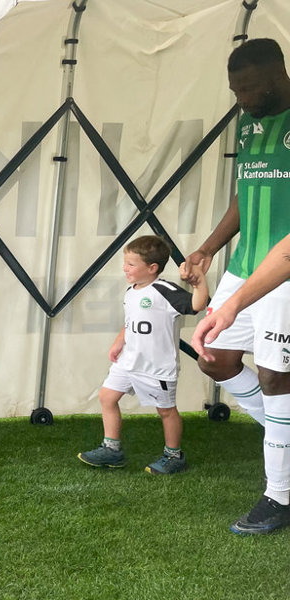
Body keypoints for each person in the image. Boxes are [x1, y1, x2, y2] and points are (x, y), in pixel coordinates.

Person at [178, 38, 290, 535]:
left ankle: (279, 494)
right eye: (234, 90)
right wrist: (207, 249)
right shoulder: (249, 121)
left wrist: (236, 302)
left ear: (277, 77)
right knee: (215, 358)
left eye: (247, 89)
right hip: (244, 266)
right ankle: (283, 437)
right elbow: (249, 191)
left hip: (283, 272)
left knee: (275, 378)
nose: (240, 99)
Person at [77, 235, 208, 474]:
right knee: (107, 397)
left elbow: (198, 305)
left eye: (131, 264)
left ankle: (174, 455)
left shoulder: (165, 290)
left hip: (156, 367)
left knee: (166, 411)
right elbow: (130, 322)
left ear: (152, 268)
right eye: (125, 263)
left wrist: (199, 284)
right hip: (128, 361)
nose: (125, 268)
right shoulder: (131, 291)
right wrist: (119, 343)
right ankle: (111, 449)